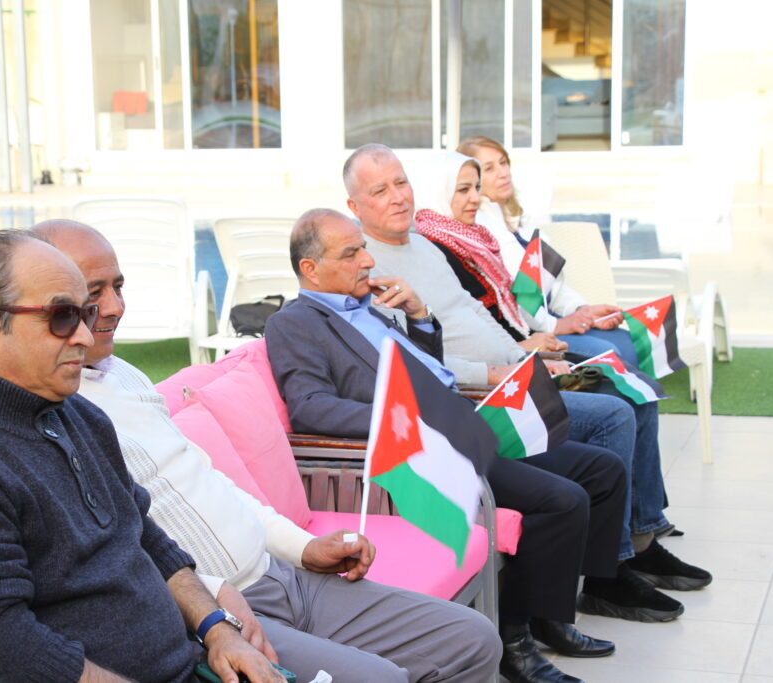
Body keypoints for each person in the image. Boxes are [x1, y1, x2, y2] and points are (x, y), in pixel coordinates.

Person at [31, 219, 503, 683]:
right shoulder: (48, 417)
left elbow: (209, 480)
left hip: (281, 573)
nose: (115, 307)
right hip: (214, 613)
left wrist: (303, 547)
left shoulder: (122, 375)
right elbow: (105, 562)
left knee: (474, 639)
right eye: (93, 293)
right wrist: (209, 606)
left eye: (118, 287)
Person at [0, 230, 282, 683]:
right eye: (63, 317)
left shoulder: (74, 415)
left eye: (84, 315)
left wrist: (218, 629)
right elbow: (3, 644)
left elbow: (146, 538)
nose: (86, 336)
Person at [342, 144, 710, 623]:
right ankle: (611, 572)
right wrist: (498, 373)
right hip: (480, 395)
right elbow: (413, 361)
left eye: (401, 183)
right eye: (380, 190)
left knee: (628, 388)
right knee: (614, 413)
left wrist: (525, 357)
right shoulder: (367, 267)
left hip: (512, 372)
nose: (397, 197)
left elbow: (474, 313)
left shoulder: (423, 245)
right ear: (354, 206)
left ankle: (640, 539)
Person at [267, 207, 630, 683]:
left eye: (364, 249)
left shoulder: (367, 306)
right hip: (434, 442)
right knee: (563, 500)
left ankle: (559, 611)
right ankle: (515, 643)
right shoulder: (296, 323)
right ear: (310, 269)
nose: (367, 261)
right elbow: (310, 407)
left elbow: (429, 367)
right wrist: (405, 417)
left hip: (467, 417)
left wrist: (418, 315)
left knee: (603, 471)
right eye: (351, 253)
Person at [457, 134, 638, 364]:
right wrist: (559, 325)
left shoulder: (520, 222)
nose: (503, 173)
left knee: (627, 342)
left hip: (552, 319)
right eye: (490, 168)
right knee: (607, 351)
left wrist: (583, 311)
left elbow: (553, 287)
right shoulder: (479, 230)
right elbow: (516, 298)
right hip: (526, 332)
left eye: (503, 163)